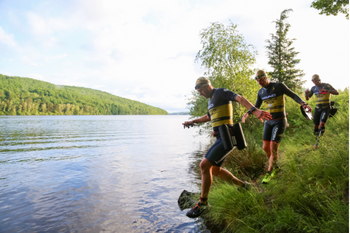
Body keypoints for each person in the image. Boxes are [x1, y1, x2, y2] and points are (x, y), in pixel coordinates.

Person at [182, 77, 272, 218]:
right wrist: (192, 122)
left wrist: (254, 110)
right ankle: (244, 186)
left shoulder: (221, 92)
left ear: (206, 86)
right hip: (220, 138)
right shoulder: (211, 101)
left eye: (200, 91)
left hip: (226, 138)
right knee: (215, 170)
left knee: (204, 166)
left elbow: (240, 98)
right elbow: (208, 116)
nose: (200, 94)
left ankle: (203, 203)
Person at [242, 70, 312, 184]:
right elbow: (257, 106)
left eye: (261, 80)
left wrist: (303, 103)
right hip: (268, 122)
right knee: (266, 148)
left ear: (266, 77)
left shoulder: (278, 86)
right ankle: (274, 165)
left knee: (273, 147)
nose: (260, 83)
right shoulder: (261, 92)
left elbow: (293, 95)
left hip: (280, 121)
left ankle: (269, 172)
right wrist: (248, 113)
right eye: (258, 81)